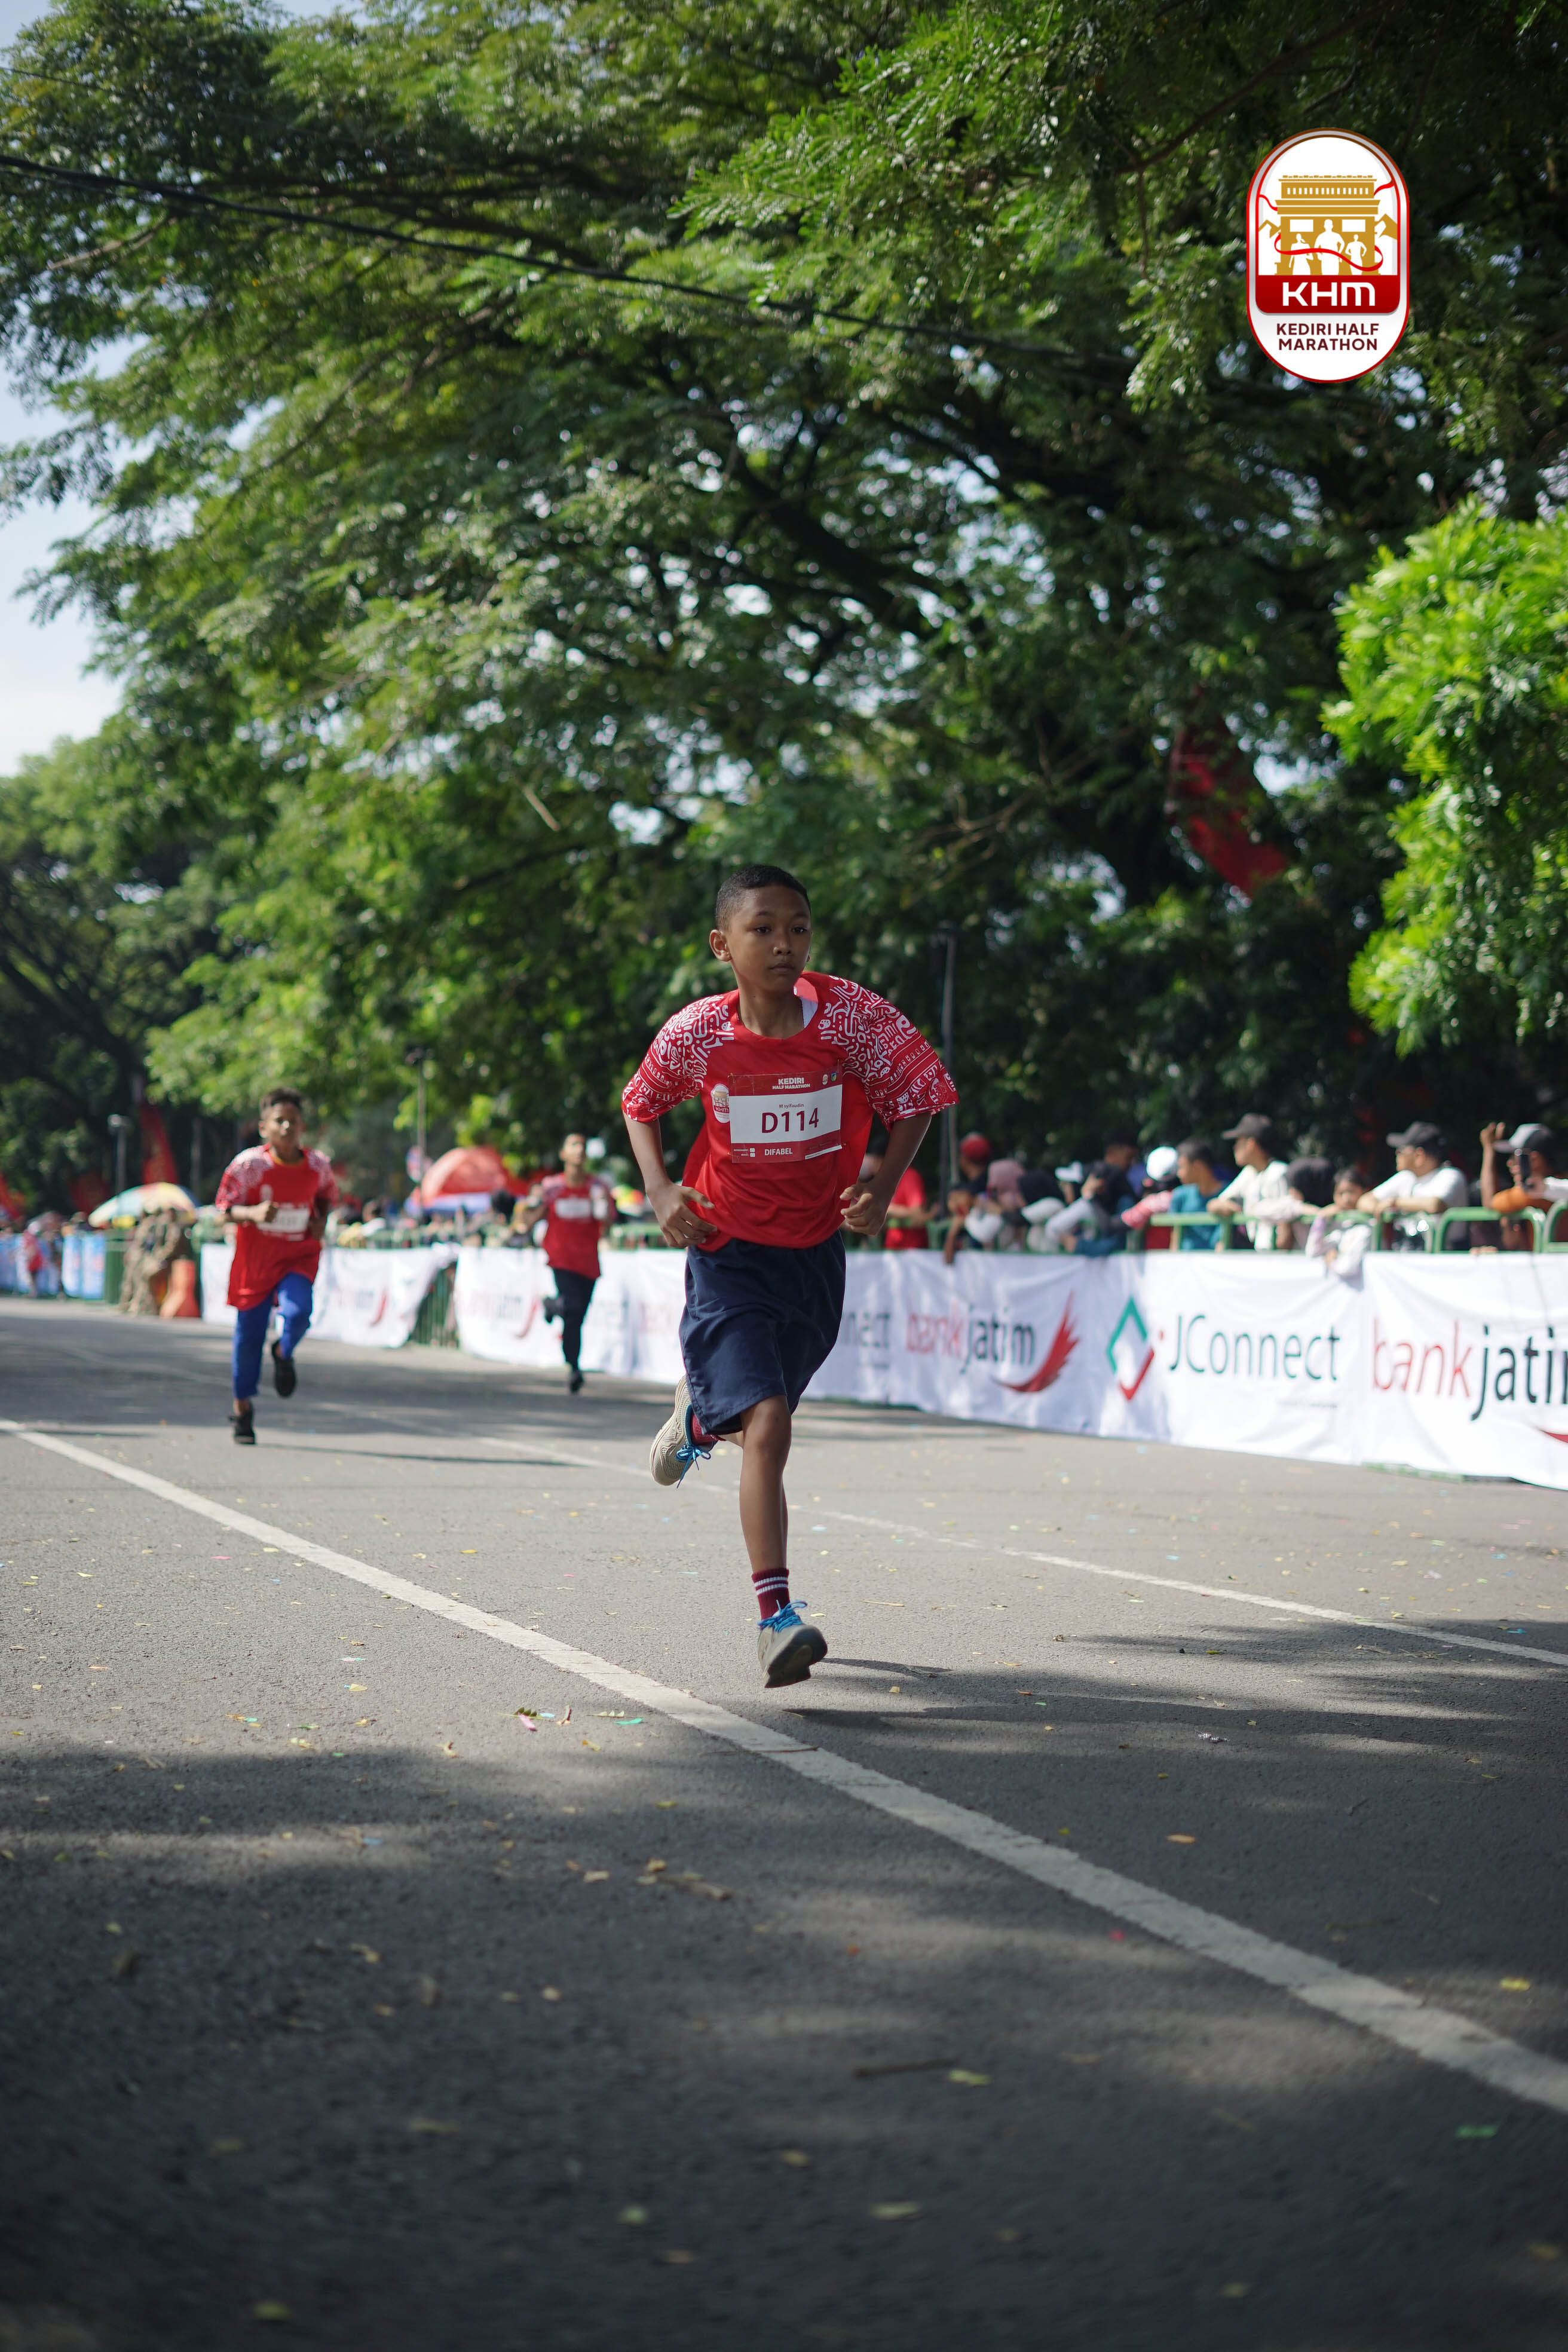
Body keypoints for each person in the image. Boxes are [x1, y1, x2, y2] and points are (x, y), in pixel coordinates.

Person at [621, 864, 956, 1690]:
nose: (783, 944)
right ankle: (775, 1619)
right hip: (727, 1250)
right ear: (722, 944)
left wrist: (882, 1185)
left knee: (761, 1419)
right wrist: (661, 1190)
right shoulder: (699, 1033)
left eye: (797, 928)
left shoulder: (851, 1018)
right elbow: (641, 1102)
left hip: (814, 1254)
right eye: (763, 928)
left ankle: (699, 1424)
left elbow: (919, 1092)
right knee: (768, 1424)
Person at [215, 1088, 338, 1445]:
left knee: (298, 1313)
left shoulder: (318, 1165)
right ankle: (242, 1409)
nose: (287, 1127)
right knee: (248, 1338)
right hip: (256, 1261)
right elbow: (223, 1210)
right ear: (264, 1128)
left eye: (293, 1121)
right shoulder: (249, 1166)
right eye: (279, 1121)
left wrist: (321, 1221)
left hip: (298, 1256)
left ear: (302, 1127)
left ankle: (284, 1352)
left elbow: (327, 1197)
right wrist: (252, 1213)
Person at [518, 1134, 614, 1392]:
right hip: (561, 1259)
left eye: (582, 1146)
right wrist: (530, 1210)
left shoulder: (597, 1187)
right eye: (573, 1145)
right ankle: (574, 1368)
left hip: (589, 1262)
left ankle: (554, 1309)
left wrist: (603, 1209)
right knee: (572, 1308)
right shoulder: (552, 1187)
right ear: (563, 1154)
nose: (579, 1150)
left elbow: (607, 1224)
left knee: (577, 1317)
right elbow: (531, 1219)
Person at [1210, 1114, 1291, 1249]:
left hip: (1275, 1253)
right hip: (1259, 1251)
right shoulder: (1249, 1173)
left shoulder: (1279, 1173)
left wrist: (1279, 1252)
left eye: (1238, 1142)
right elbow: (1215, 1204)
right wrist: (1225, 1207)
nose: (1235, 1147)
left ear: (1251, 1144)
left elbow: (1287, 1221)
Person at [1043, 1161, 1128, 1254]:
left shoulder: (1120, 1201)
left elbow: (1053, 1228)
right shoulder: (1092, 1203)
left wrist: (1079, 1246)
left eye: (1067, 1184)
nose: (1064, 1189)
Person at [1163, 1138, 1226, 1250]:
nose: (1179, 1174)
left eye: (1182, 1167)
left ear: (1198, 1166)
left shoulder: (1229, 1193)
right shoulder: (1180, 1196)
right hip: (1186, 1261)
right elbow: (1175, 1239)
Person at [1307, 1168, 1374, 1271]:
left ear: (1364, 1191)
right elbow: (1312, 1251)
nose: (1346, 1199)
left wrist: (1332, 1262)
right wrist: (1321, 1219)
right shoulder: (1338, 1226)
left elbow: (1348, 1269)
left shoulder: (1368, 1225)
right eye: (1340, 1193)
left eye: (1351, 1192)